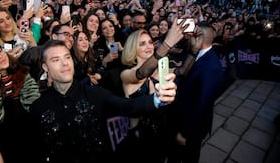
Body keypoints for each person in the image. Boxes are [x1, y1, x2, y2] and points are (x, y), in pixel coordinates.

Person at [28, 40, 178, 163]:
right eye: (56, 60)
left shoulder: (95, 94)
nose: (65, 63)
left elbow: (128, 106)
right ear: (45, 67)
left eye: (67, 57)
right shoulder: (38, 107)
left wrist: (158, 99)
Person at [168, 21, 225, 163]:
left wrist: (185, 133)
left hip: (191, 128)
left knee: (188, 157)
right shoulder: (195, 52)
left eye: (191, 34)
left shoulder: (211, 66)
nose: (188, 37)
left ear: (197, 36)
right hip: (181, 117)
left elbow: (202, 104)